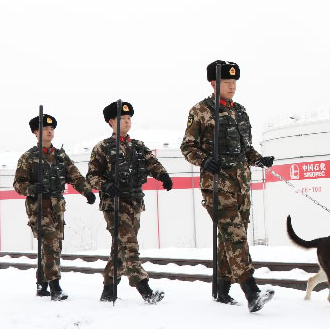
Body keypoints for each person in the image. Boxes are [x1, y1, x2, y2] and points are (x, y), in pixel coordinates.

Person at [181, 60, 275, 312]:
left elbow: (245, 148)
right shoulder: (201, 111)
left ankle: (221, 290)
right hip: (217, 185)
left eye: (234, 82)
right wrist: (204, 160)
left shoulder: (241, 111)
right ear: (214, 83)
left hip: (241, 185)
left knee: (229, 239)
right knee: (236, 237)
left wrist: (259, 159)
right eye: (227, 82)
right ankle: (251, 291)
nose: (232, 86)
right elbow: (187, 147)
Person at [86, 101, 172, 304]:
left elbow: (153, 163)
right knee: (129, 246)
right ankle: (145, 289)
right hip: (114, 206)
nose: (127, 121)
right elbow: (91, 176)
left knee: (119, 249)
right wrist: (105, 185)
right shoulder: (103, 148)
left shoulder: (137, 146)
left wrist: (164, 176)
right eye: (122, 118)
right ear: (111, 122)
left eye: (129, 118)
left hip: (134, 204)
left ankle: (108, 290)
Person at [13, 113, 96, 301]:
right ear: (35, 132)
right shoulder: (28, 157)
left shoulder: (60, 156)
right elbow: (18, 184)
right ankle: (55, 287)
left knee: (53, 246)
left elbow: (75, 176)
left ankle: (42, 284)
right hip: (38, 208)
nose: (49, 131)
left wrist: (87, 192)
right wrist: (32, 188)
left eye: (52, 128)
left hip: (57, 207)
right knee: (50, 243)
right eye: (44, 128)